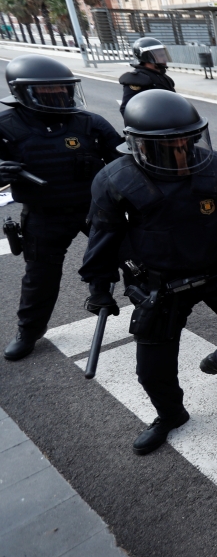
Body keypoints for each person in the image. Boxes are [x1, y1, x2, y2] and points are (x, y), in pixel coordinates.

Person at [80, 90, 217, 455]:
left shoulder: (215, 164)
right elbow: (102, 238)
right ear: (139, 146)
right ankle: (170, 415)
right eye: (168, 148)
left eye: (185, 144)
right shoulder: (114, 179)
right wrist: (99, 287)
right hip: (160, 285)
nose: (180, 154)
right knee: (152, 371)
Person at [0, 55, 124, 361]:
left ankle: (136, 303)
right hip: (44, 214)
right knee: (39, 277)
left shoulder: (89, 122)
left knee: (134, 256)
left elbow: (124, 161)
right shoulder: (5, 127)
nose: (59, 95)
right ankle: (29, 331)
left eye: (63, 89)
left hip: (94, 209)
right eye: (48, 91)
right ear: (23, 93)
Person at [119, 37, 175, 116]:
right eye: (161, 55)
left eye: (164, 55)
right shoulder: (137, 79)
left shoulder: (163, 77)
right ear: (147, 57)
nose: (165, 58)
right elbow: (128, 110)